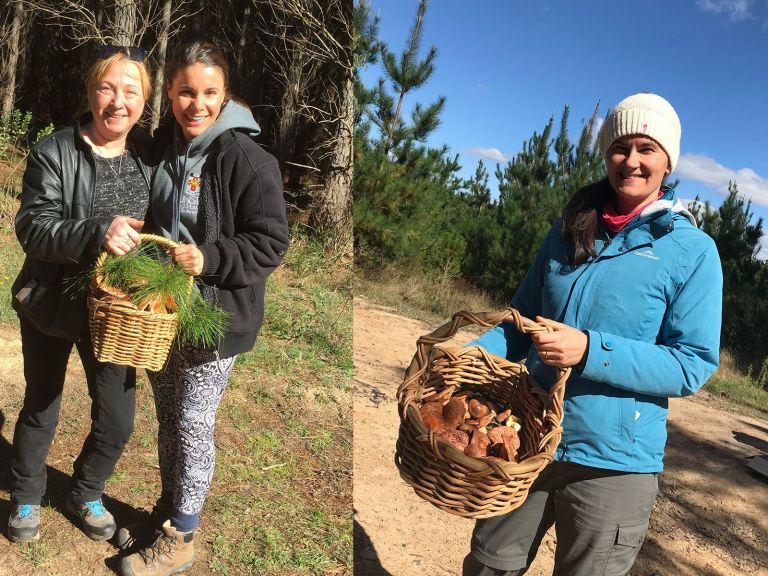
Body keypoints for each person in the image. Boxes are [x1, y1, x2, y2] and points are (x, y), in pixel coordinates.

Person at [462, 93, 723, 576]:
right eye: (620, 147)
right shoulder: (568, 230)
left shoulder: (692, 250)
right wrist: (465, 359)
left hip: (613, 461)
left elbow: (691, 363)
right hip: (527, 437)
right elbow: (521, 319)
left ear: (668, 160)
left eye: (646, 149)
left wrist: (589, 351)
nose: (631, 161)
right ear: (606, 154)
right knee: (487, 565)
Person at [116, 41, 289, 576]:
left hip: (216, 313)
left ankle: (183, 537)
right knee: (168, 417)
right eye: (186, 91)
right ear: (169, 92)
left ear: (225, 95)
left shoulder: (246, 159)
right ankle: (170, 510)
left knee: (193, 422)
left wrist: (210, 257)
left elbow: (270, 242)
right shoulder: (160, 146)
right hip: (161, 311)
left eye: (209, 93)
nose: (197, 104)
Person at [8, 45, 153, 543]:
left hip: (116, 316)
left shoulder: (149, 160)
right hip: (51, 302)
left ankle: (85, 489)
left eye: (131, 90)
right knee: (41, 403)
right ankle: (26, 495)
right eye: (107, 88)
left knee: (118, 419)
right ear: (91, 92)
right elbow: (33, 226)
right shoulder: (55, 151)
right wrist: (96, 232)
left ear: (145, 99)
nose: (118, 101)